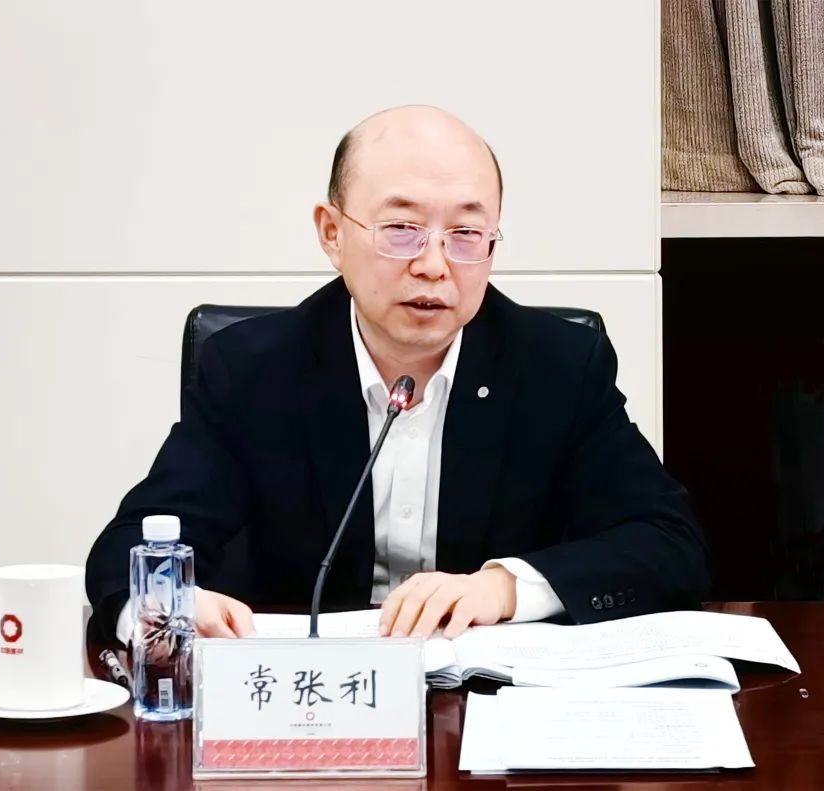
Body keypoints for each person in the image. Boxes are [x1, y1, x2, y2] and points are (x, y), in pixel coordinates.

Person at [85, 105, 709, 646]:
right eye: (403, 230)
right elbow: (132, 546)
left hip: (488, 702)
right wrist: (168, 604)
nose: (435, 265)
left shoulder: (559, 366)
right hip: (312, 706)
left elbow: (669, 544)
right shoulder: (253, 369)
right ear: (332, 233)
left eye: (466, 234)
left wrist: (505, 588)